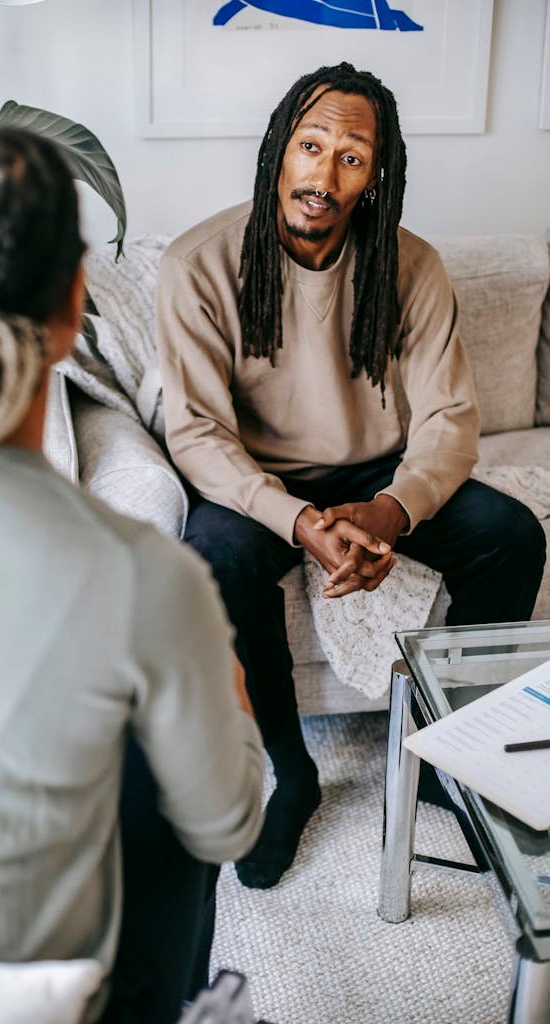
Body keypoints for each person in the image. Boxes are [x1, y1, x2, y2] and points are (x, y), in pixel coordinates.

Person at [0, 124, 264, 1024]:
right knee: (160, 777)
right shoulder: (141, 577)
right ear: (71, 304)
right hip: (25, 1003)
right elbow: (229, 825)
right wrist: (230, 692)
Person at [155, 62, 547, 892]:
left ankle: (449, 756)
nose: (323, 175)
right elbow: (193, 431)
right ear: (277, 152)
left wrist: (385, 514)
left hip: (377, 469)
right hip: (257, 475)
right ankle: (289, 774)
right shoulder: (198, 264)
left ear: (377, 175)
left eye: (351, 157)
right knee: (215, 562)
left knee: (511, 537)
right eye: (311, 145)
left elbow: (448, 421)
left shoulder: (411, 266)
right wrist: (298, 520)